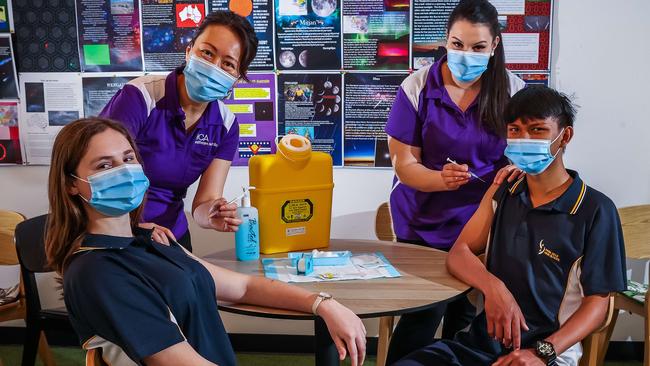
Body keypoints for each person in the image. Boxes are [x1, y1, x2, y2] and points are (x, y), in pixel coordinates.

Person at [45, 118, 367, 366]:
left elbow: (242, 287)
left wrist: (323, 303)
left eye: (129, 158)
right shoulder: (97, 271)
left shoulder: (151, 238)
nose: (125, 171)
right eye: (105, 165)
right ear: (72, 185)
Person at [392, 86, 627, 366]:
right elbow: (459, 253)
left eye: (537, 130)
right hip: (478, 345)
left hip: (548, 354)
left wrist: (543, 352)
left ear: (565, 136)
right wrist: (495, 290)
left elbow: (598, 304)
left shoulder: (594, 209)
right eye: (514, 130)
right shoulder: (503, 190)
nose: (523, 139)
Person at [384, 0, 525, 361]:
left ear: (495, 45)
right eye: (458, 44)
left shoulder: (513, 90)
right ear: (446, 40)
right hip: (422, 222)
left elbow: (525, 157)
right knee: (422, 315)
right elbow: (404, 164)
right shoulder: (417, 86)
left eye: (478, 47)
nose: (466, 55)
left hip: (480, 225)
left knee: (463, 320)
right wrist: (440, 179)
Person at [100, 11, 257, 251]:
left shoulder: (226, 125)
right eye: (207, 52)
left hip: (171, 237)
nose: (214, 67)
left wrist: (212, 216)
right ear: (189, 51)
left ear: (237, 77)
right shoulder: (140, 97)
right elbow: (100, 175)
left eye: (228, 63)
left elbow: (204, 202)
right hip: (117, 234)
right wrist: (134, 228)